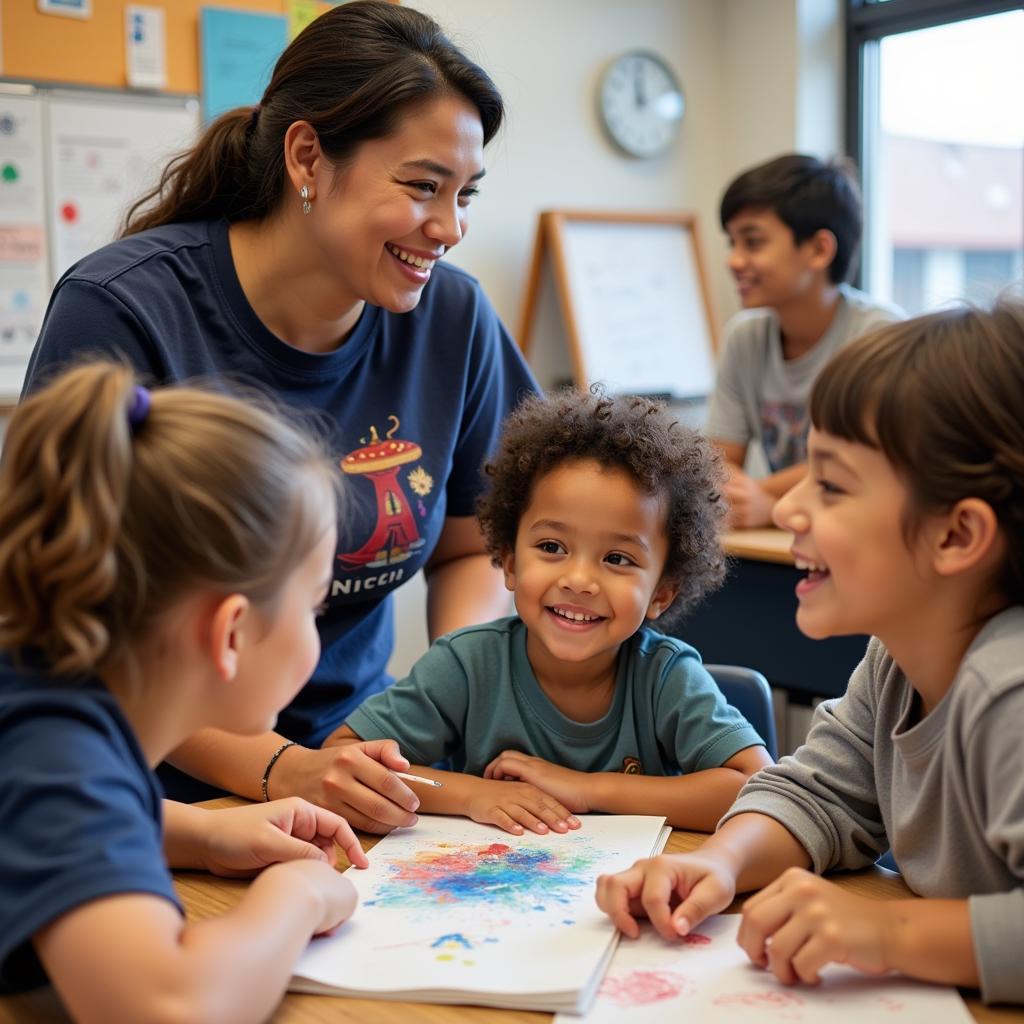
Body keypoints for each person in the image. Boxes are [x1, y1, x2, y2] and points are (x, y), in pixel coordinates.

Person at [24, 1, 536, 830]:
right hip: (156, 793)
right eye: (421, 187)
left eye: (466, 194)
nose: (449, 227)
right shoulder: (123, 309)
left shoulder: (453, 317)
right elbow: (86, 626)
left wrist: (448, 685)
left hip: (361, 766)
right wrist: (282, 770)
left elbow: (476, 537)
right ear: (308, 156)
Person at [596, 299, 1024, 1005]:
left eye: (829, 484)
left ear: (956, 536)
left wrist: (888, 937)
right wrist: (721, 862)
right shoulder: (896, 660)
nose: (790, 508)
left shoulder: (1008, 690)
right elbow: (821, 791)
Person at [0, 362, 378, 1019]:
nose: (319, 634)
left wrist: (206, 835)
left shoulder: (49, 698)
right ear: (231, 632)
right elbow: (169, 1008)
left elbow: (52, 822)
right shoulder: (56, 754)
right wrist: (299, 896)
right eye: (314, 609)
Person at [327, 389, 773, 835]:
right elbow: (345, 760)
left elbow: (754, 788)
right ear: (511, 561)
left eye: (617, 558)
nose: (579, 580)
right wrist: (472, 795)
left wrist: (586, 789)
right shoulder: (466, 665)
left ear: (661, 593)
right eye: (551, 547)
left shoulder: (666, 679)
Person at [706, 153, 902, 528]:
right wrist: (751, 497)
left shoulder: (879, 337)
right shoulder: (743, 337)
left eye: (752, 242)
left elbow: (865, 461)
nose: (733, 260)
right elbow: (718, 461)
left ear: (819, 250)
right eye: (732, 242)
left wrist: (766, 498)